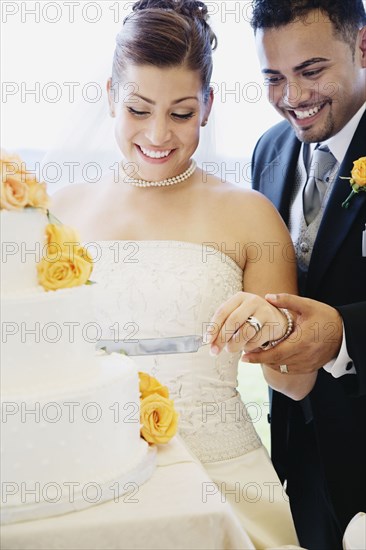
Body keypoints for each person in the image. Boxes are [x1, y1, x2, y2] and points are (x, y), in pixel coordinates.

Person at [50, 1, 308, 547]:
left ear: (209, 106)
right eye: (139, 109)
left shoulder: (251, 214)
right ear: (110, 98)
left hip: (222, 483)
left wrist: (276, 330)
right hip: (89, 479)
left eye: (182, 112)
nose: (159, 134)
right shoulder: (61, 211)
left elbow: (293, 382)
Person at [210, 1, 366, 549]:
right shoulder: (270, 150)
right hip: (297, 453)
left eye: (311, 71)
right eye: (274, 78)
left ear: (364, 47)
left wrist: (344, 335)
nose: (292, 98)